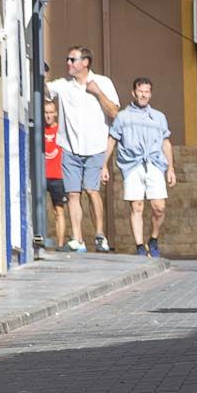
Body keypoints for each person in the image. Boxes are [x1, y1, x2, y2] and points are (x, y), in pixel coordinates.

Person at [47, 46, 120, 253]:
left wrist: (97, 92)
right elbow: (45, 89)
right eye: (67, 59)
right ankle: (77, 239)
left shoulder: (103, 82)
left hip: (95, 147)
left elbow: (114, 112)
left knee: (92, 191)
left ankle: (99, 235)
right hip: (70, 148)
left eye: (72, 59)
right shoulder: (63, 86)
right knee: (72, 194)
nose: (68, 63)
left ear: (85, 62)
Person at [103, 78, 176, 257]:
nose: (143, 95)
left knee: (159, 207)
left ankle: (153, 239)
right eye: (140, 91)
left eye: (147, 91)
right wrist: (103, 165)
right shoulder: (123, 116)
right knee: (137, 206)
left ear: (150, 94)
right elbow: (112, 139)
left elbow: (166, 142)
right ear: (133, 93)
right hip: (132, 164)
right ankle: (139, 247)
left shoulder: (159, 117)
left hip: (155, 163)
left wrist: (171, 168)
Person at [42, 100, 67, 249]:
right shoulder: (39, 131)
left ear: (56, 113)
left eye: (51, 112)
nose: (49, 116)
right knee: (40, 210)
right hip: (42, 176)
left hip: (58, 176)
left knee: (59, 210)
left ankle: (60, 244)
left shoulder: (61, 131)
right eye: (46, 113)